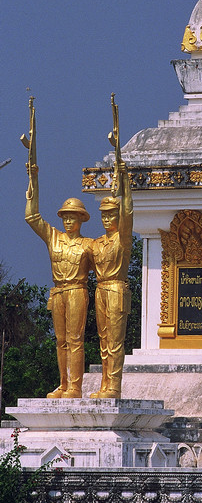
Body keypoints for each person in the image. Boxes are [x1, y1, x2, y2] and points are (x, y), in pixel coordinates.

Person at [25, 167, 92, 399]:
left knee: (75, 339)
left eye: (72, 216)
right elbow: (31, 217)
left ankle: (75, 386)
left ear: (81, 219)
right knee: (61, 340)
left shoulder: (88, 245)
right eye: (65, 217)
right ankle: (63, 384)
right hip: (58, 292)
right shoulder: (54, 237)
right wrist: (33, 179)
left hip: (77, 290)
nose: (68, 221)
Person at [90, 160, 133, 399]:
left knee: (115, 341)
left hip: (117, 288)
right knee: (104, 339)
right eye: (104, 215)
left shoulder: (122, 239)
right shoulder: (97, 243)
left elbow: (129, 212)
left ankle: (114, 386)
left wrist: (125, 182)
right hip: (101, 290)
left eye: (111, 215)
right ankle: (105, 384)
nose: (107, 219)